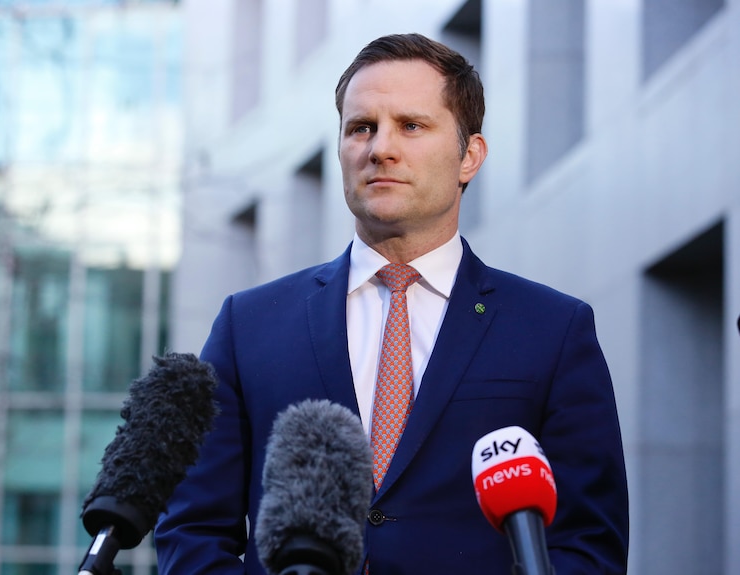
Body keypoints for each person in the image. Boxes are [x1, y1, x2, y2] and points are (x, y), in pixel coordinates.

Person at [155, 33, 628, 574]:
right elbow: (194, 532)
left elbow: (588, 544)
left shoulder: (553, 330)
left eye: (411, 125)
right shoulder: (249, 326)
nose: (380, 147)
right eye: (361, 127)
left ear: (468, 156)